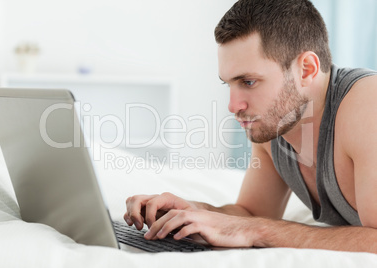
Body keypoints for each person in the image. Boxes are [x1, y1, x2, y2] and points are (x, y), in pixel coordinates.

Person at [124, 0, 377, 253]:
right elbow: (251, 212)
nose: (234, 106)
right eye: (229, 84)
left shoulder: (367, 105)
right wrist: (192, 212)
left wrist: (257, 230)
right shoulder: (276, 123)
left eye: (248, 81)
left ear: (306, 69)